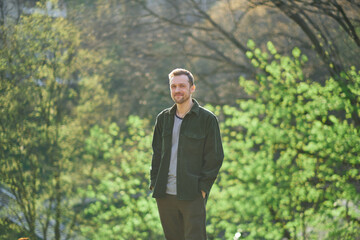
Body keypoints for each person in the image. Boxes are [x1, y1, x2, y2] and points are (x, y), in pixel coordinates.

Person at [150, 68, 224, 240]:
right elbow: (157, 153)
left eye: (182, 86)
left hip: (193, 194)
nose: (177, 90)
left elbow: (215, 157)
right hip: (165, 195)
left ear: (192, 88)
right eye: (173, 86)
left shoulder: (207, 119)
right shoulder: (163, 119)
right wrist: (154, 183)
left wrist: (203, 189)